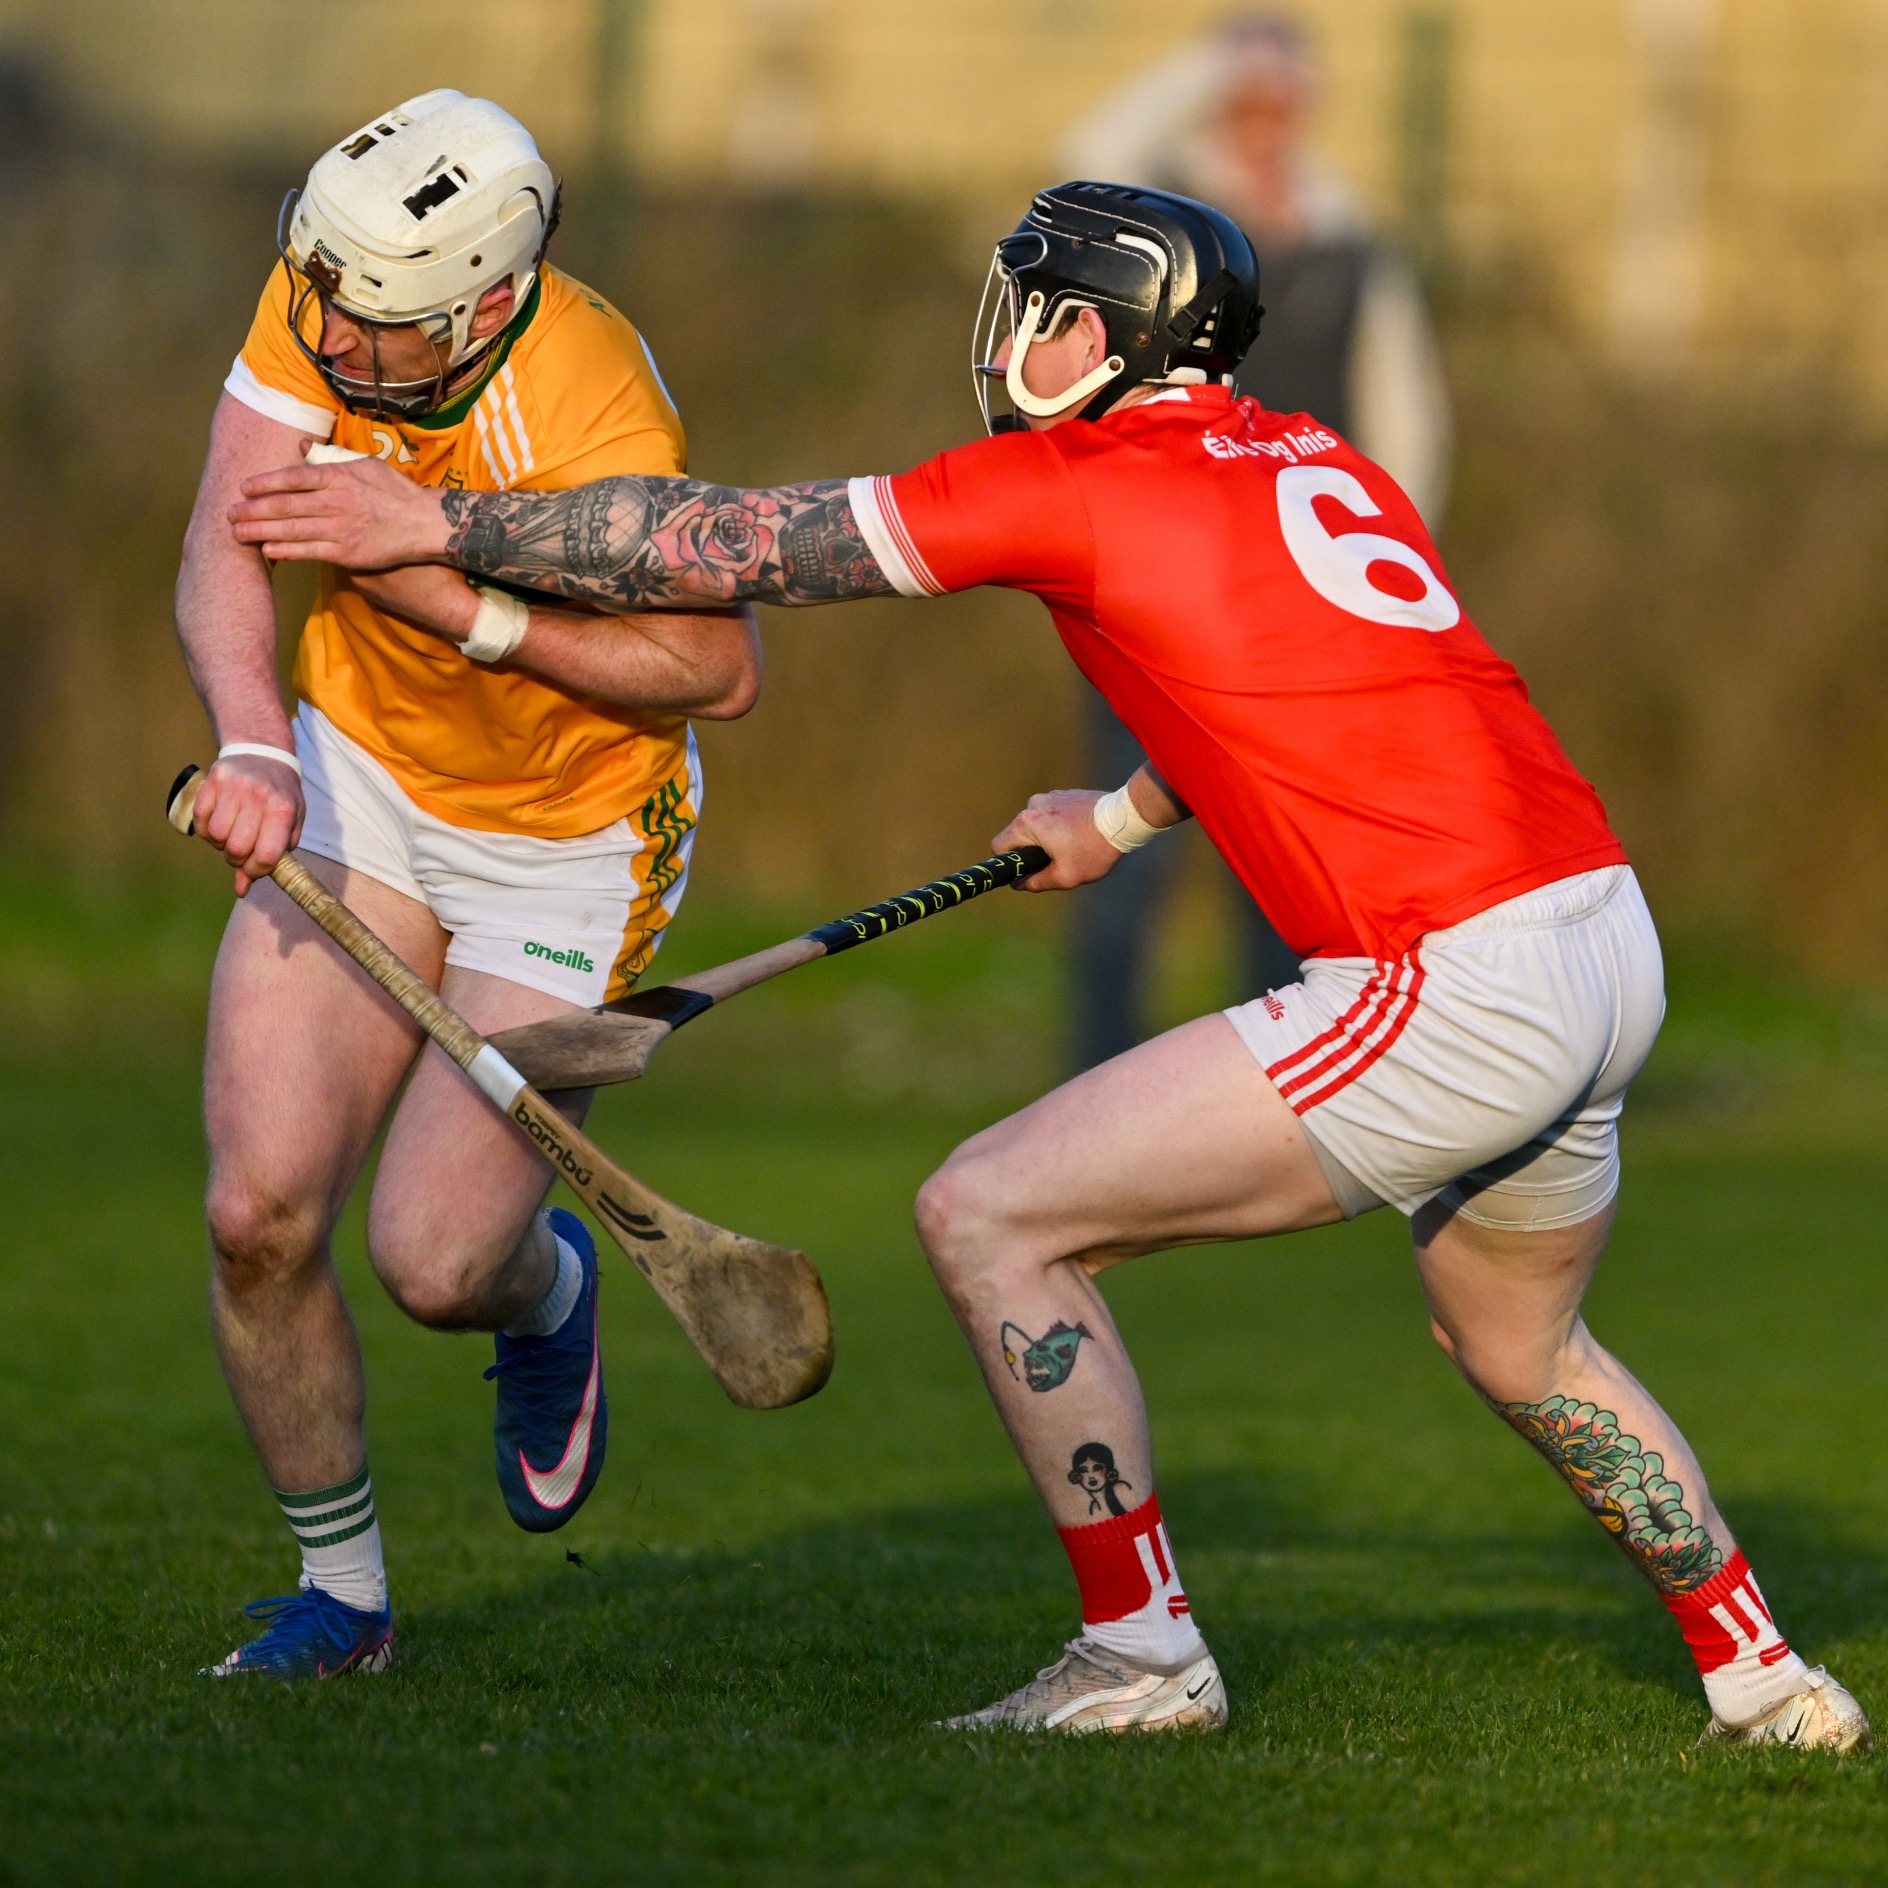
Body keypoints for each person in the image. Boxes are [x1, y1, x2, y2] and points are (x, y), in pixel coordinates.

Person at [225, 181, 1868, 1751]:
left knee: (987, 1208)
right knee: (1524, 1350)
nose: (1005, 331)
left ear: (1100, 337)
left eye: (1035, 307)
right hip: (1599, 937)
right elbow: (1312, 676)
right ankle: (1761, 1671)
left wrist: (433, 516)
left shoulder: (1066, 483)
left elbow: (723, 544)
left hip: (1444, 981)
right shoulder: (1307, 453)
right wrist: (1124, 813)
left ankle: (1139, 1654)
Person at [175, 90, 760, 1679]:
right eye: (325, 310)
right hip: (357, 779)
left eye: (376, 335)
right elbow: (228, 530)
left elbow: (717, 671)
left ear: (489, 301)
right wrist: (259, 748)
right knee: (257, 1213)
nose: (333, 353)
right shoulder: (338, 283)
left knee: (435, 1262)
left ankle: (544, 1296)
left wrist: (464, 606)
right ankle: (344, 1603)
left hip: (570, 844)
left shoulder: (596, 413)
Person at [1060, 13, 1453, 1066]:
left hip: (1296, 598)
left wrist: (1388, 569)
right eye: (1248, 97)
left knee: (1282, 847)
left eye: (1283, 97)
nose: (1268, 119)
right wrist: (1202, 67)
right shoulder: (1159, 211)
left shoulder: (1349, 232)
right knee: (1119, 839)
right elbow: (1082, 164)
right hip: (1153, 579)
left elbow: (1404, 416)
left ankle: (1276, 1066)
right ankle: (1094, 1076)